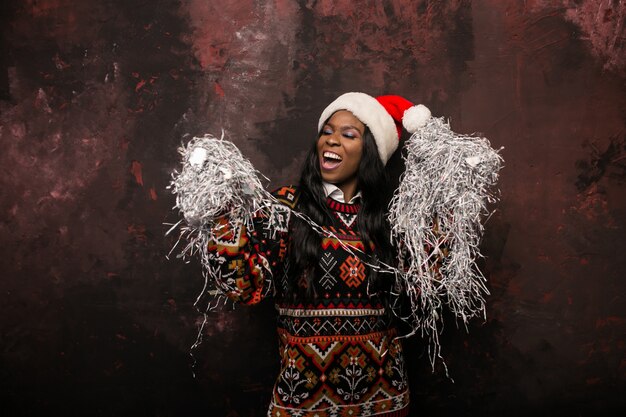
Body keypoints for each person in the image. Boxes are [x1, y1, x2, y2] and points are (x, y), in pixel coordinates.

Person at [207, 92, 432, 417]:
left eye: (348, 134)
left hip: (386, 404)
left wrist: (446, 209)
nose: (332, 140)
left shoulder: (391, 220)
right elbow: (242, 287)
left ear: (370, 151)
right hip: (304, 406)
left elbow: (425, 291)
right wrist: (222, 211)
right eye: (327, 131)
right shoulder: (284, 208)